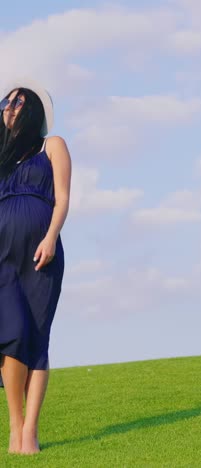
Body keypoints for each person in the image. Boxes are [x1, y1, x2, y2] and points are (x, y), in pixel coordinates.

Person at [0, 79, 71, 455]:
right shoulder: (0, 157)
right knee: (11, 334)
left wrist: (50, 237)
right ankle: (14, 427)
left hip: (41, 252)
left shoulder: (52, 146)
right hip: (2, 255)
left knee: (37, 337)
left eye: (18, 103)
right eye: (6, 103)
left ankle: (30, 431)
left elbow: (62, 200)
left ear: (34, 112)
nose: (10, 108)